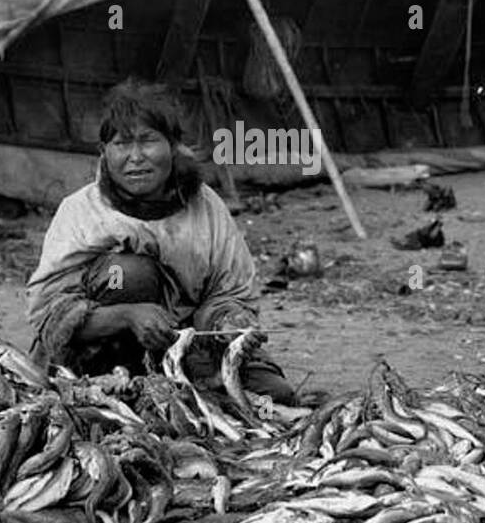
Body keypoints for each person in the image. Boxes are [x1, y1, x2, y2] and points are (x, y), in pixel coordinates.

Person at [26, 78, 298, 404]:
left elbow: (227, 293)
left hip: (188, 352)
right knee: (127, 273)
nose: (136, 157)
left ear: (173, 145)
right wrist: (128, 315)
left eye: (148, 141)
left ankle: (177, 389)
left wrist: (228, 322)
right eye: (122, 144)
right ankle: (118, 386)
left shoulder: (206, 207)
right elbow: (49, 314)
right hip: (97, 355)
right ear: (103, 153)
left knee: (276, 398)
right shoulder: (82, 211)